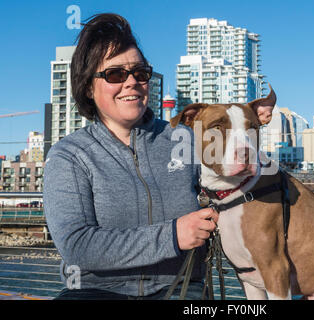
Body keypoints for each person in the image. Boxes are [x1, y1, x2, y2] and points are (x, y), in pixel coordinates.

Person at [43, 13, 218, 300]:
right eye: (115, 74)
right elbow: (77, 245)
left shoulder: (187, 139)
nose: (132, 82)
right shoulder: (69, 155)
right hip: (96, 292)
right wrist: (173, 236)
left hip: (183, 290)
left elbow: (249, 186)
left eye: (140, 72)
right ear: (88, 86)